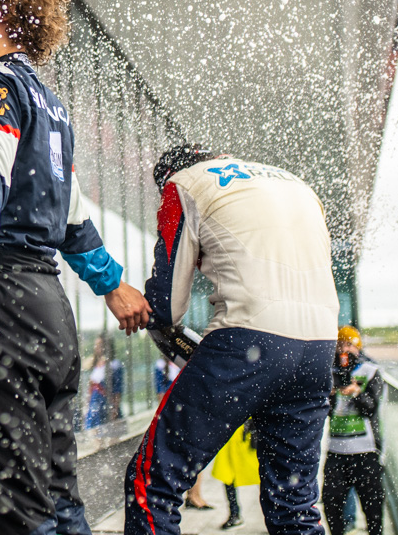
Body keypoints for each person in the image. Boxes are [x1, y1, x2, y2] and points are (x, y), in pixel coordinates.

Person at [0, 0, 151, 535]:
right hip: (51, 313)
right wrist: (113, 285)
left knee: (12, 504)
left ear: (1, 12)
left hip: (2, 303)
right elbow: (73, 218)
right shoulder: (50, 104)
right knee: (60, 496)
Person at [125, 145, 340, 535]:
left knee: (152, 481)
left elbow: (167, 306)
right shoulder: (296, 185)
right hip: (319, 347)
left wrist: (144, 310)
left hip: (248, 340)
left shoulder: (182, 183)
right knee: (294, 504)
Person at [322, 325, 384, 535]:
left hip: (365, 451)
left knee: (373, 509)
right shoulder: (330, 373)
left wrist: (357, 392)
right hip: (336, 451)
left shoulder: (370, 371)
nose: (344, 350)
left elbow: (371, 408)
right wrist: (330, 393)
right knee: (331, 506)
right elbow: (326, 411)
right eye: (340, 344)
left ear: (358, 347)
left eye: (349, 344)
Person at [211, 421, 261, 530]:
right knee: (227, 474)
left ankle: (273, 514)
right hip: (231, 433)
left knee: (261, 475)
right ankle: (234, 513)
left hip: (246, 431)